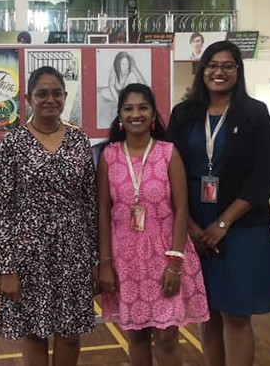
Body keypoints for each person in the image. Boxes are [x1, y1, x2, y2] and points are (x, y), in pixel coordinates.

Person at [168, 41, 270, 366]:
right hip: (193, 223)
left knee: (236, 315)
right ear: (202, 70)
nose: (219, 72)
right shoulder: (184, 113)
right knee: (207, 312)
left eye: (228, 65)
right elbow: (168, 171)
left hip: (242, 225)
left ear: (238, 71)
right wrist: (188, 224)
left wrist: (222, 223)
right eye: (212, 65)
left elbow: (262, 176)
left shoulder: (254, 113)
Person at [0, 66, 97, 366]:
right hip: (28, 253)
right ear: (28, 98)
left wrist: (93, 261)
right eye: (41, 94)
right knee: (34, 333)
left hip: (73, 252)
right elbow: (1, 210)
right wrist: (7, 269)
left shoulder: (79, 140)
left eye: (56, 93)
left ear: (64, 97)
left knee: (70, 333)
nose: (50, 99)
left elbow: (90, 204)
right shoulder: (11, 144)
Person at [98, 83, 209, 366]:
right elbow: (102, 210)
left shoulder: (168, 153)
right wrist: (106, 262)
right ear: (120, 116)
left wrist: (175, 262)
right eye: (129, 108)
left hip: (165, 255)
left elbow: (181, 209)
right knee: (135, 336)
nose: (136, 114)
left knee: (167, 337)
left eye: (143, 107)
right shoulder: (109, 156)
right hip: (125, 258)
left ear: (153, 113)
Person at [100, 51, 147, 127]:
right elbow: (111, 86)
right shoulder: (114, 70)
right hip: (117, 93)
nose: (125, 66)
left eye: (127, 64)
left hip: (129, 94)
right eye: (123, 64)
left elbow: (142, 83)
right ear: (118, 64)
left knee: (132, 76)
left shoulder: (132, 70)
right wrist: (118, 101)